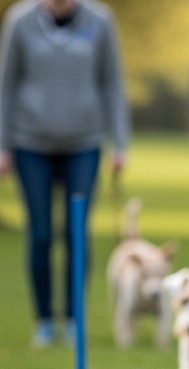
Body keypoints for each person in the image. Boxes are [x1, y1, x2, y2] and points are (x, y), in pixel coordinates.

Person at [0, 0, 130, 347]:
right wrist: (2, 146)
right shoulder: (20, 21)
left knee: (76, 233)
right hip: (30, 144)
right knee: (40, 234)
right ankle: (44, 321)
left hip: (83, 144)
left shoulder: (100, 20)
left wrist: (120, 144)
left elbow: (112, 84)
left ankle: (74, 320)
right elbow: (7, 85)